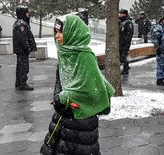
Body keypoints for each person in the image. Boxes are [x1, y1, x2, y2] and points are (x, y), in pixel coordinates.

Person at [40, 14, 115, 155]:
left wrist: (63, 98)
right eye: (56, 32)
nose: (57, 36)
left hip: (81, 123)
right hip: (63, 118)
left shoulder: (85, 56)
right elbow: (59, 80)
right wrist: (58, 97)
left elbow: (89, 88)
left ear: (73, 32)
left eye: (61, 32)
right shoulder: (64, 54)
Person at [12, 5, 37, 91]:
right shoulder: (21, 24)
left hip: (20, 50)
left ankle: (18, 83)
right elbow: (22, 39)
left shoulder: (19, 22)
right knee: (23, 66)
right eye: (26, 12)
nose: (27, 14)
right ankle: (22, 83)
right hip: (22, 50)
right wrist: (27, 48)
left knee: (20, 66)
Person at [151, 15, 164, 85]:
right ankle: (159, 78)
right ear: (162, 20)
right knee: (161, 64)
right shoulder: (158, 27)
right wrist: (157, 48)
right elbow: (155, 38)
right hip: (161, 49)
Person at [119, 8, 134, 75]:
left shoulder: (128, 22)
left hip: (125, 42)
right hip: (121, 42)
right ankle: (126, 67)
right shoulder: (121, 21)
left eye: (122, 14)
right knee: (122, 55)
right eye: (120, 13)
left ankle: (125, 69)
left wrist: (126, 43)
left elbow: (129, 34)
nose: (120, 15)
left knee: (124, 55)